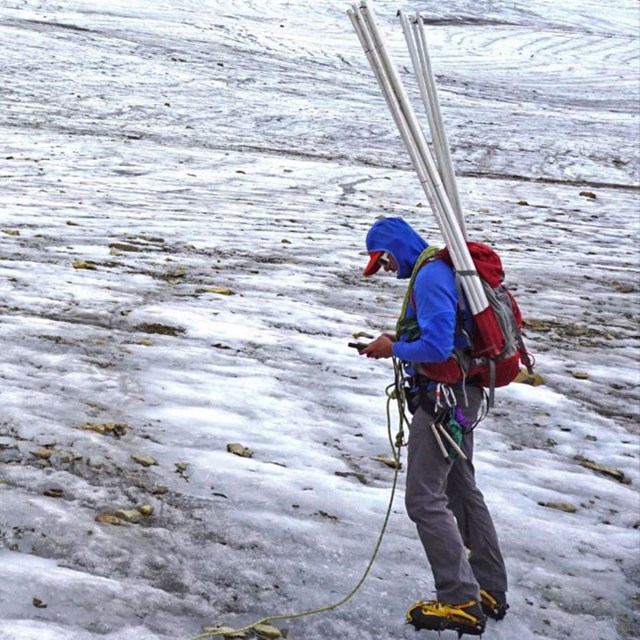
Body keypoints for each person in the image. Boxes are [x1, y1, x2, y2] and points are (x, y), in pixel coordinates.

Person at [359, 217, 508, 637]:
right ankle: (488, 589)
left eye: (384, 260)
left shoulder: (429, 276)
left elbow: (438, 345)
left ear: (398, 247)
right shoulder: (442, 270)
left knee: (424, 499)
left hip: (442, 400)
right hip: (463, 395)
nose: (387, 269)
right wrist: (397, 341)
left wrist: (395, 347)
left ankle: (460, 600)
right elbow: (448, 336)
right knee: (461, 489)